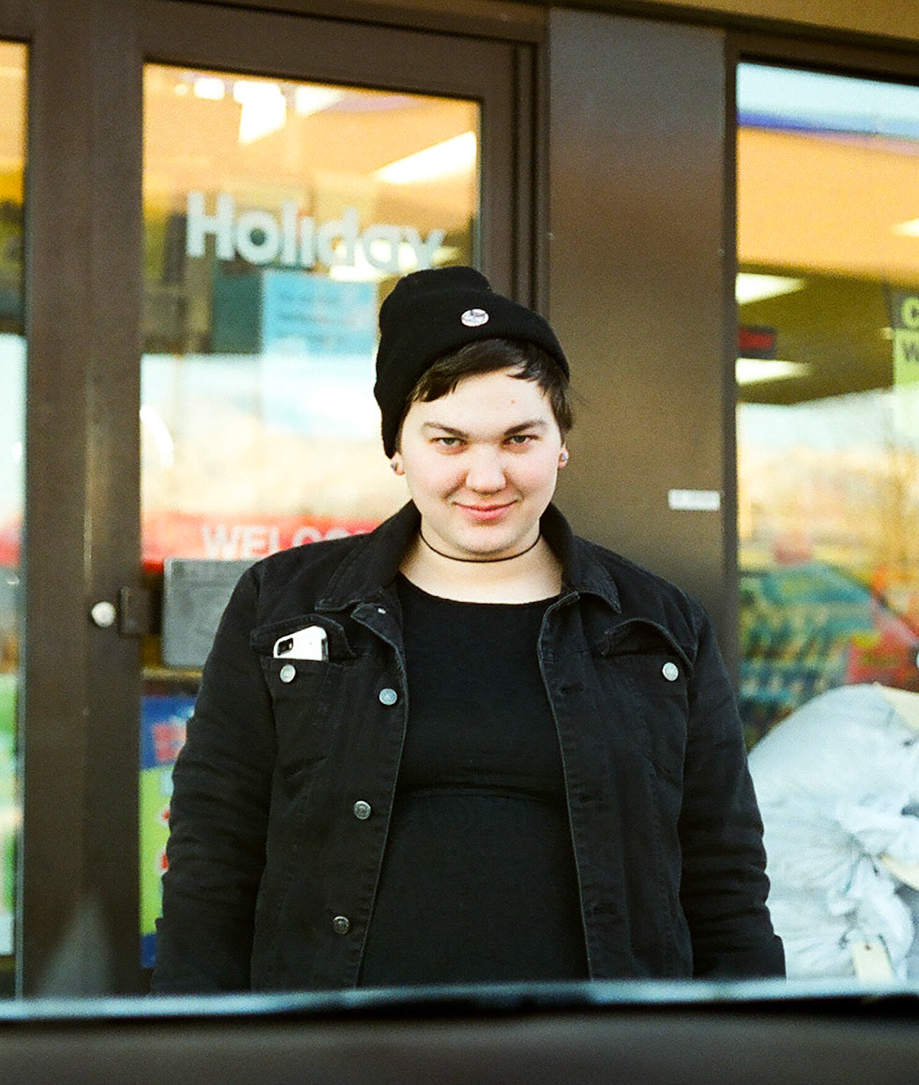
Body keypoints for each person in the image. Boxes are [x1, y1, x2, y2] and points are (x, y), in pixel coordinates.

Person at [152, 266, 782, 992]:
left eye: (519, 438)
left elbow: (725, 878)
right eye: (449, 441)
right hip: (340, 1049)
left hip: (600, 1051)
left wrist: (750, 1039)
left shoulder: (658, 629)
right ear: (397, 448)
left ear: (560, 443)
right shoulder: (285, 607)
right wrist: (193, 1039)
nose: (486, 477)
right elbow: (213, 858)